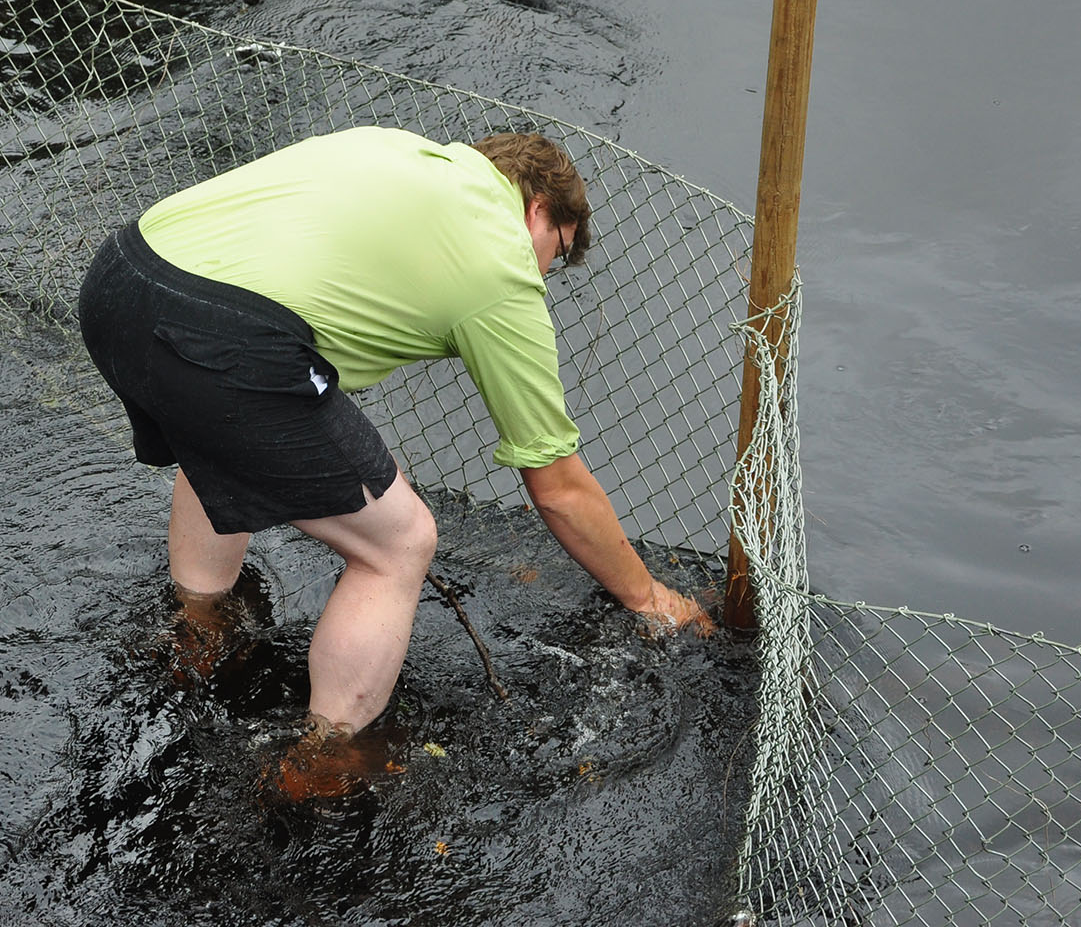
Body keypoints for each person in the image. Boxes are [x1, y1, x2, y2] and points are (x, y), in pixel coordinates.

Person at [77, 125, 713, 797]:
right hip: (218, 339)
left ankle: (196, 631)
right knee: (402, 539)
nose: (542, 279)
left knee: (213, 434)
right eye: (553, 255)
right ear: (539, 210)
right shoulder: (499, 259)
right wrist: (649, 598)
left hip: (121, 278)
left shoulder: (396, 152)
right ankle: (322, 761)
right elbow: (556, 485)